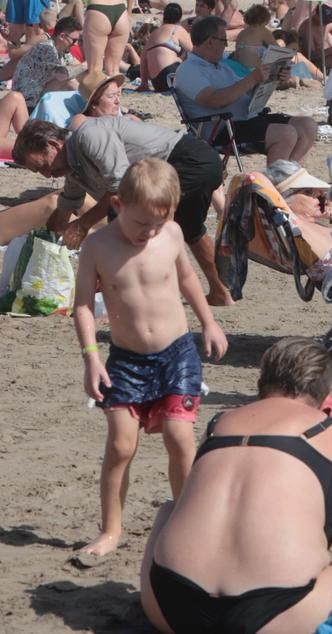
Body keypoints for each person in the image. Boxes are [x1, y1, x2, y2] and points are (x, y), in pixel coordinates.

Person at [138, 338, 332, 634]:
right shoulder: (329, 429)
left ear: (263, 380)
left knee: (170, 510)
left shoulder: (219, 424)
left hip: (171, 606)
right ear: (323, 394)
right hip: (275, 614)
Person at [73, 159, 228, 563]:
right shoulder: (98, 246)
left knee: (180, 439)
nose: (149, 232)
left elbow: (187, 279)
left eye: (157, 223)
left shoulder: (171, 235)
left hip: (177, 354)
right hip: (125, 360)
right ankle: (110, 531)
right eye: (141, 223)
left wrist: (209, 322)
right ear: (117, 203)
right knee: (122, 446)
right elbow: (84, 306)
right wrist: (92, 358)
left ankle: (189, 523)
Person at [14, 116, 233, 306]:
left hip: (189, 160)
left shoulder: (89, 136)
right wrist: (43, 243)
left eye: (43, 166)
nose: (47, 175)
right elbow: (66, 205)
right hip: (193, 162)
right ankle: (220, 292)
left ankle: (127, 294)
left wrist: (83, 224)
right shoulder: (73, 167)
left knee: (123, 221)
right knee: (190, 229)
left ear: (53, 144)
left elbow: (120, 189)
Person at [173, 16, 318, 166]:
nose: (226, 45)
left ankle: (291, 177)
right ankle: (277, 183)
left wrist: (274, 77)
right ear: (210, 42)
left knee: (307, 125)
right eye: (223, 40)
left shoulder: (222, 66)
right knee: (286, 134)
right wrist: (252, 78)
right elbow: (214, 100)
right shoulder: (189, 70)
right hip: (222, 129)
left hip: (247, 119)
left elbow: (247, 90)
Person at [10, 16, 83, 110]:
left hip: (39, 92)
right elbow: (62, 75)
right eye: (74, 40)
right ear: (62, 36)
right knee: (68, 81)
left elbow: (77, 67)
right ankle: (87, 105)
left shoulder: (63, 51)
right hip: (27, 100)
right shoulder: (46, 48)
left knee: (75, 75)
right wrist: (85, 65)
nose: (75, 44)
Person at [142, 3, 192, 92]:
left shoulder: (154, 33)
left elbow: (143, 59)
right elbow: (195, 51)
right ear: (179, 18)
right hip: (171, 74)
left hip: (157, 83)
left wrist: (144, 83)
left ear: (164, 16)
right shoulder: (177, 29)